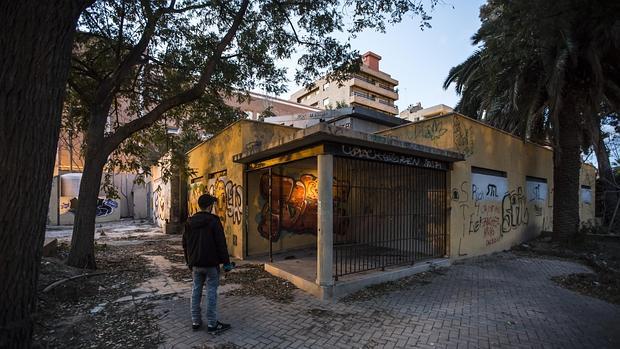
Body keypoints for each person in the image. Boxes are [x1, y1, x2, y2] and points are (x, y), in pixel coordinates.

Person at [182, 194, 234, 332]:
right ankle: (212, 324)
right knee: (211, 292)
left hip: (196, 265)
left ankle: (196, 321)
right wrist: (227, 264)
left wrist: (189, 262)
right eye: (213, 205)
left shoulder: (189, 222)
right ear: (210, 206)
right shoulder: (214, 221)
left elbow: (185, 245)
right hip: (211, 264)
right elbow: (221, 244)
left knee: (196, 291)